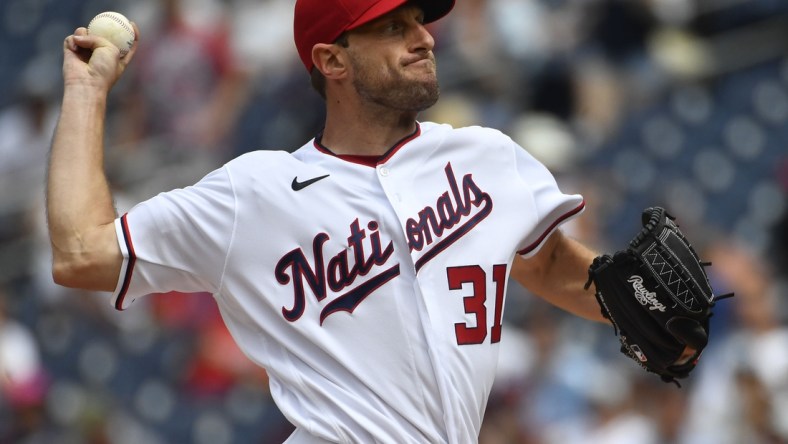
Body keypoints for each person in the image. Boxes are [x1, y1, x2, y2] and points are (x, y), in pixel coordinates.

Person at [48, 0, 608, 442]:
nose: (425, 38)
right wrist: (86, 90)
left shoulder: (486, 157)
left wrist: (644, 309)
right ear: (332, 60)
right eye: (392, 27)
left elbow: (549, 263)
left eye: (418, 20)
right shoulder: (254, 193)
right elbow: (80, 253)